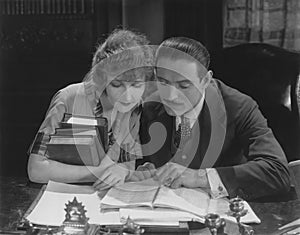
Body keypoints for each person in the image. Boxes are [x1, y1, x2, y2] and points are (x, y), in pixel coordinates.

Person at [138, 37, 291, 201]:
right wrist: (143, 170)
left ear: (205, 80)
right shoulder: (149, 107)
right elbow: (140, 160)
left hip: (222, 213)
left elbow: (278, 172)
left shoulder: (238, 107)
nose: (170, 96)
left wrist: (200, 177)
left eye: (184, 85)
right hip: (166, 213)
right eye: (163, 82)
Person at [27, 29, 153, 189]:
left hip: (105, 199)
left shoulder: (135, 108)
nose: (127, 97)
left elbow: (126, 165)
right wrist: (98, 172)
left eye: (136, 85)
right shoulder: (68, 97)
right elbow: (35, 170)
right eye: (116, 84)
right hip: (57, 198)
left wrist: (123, 171)